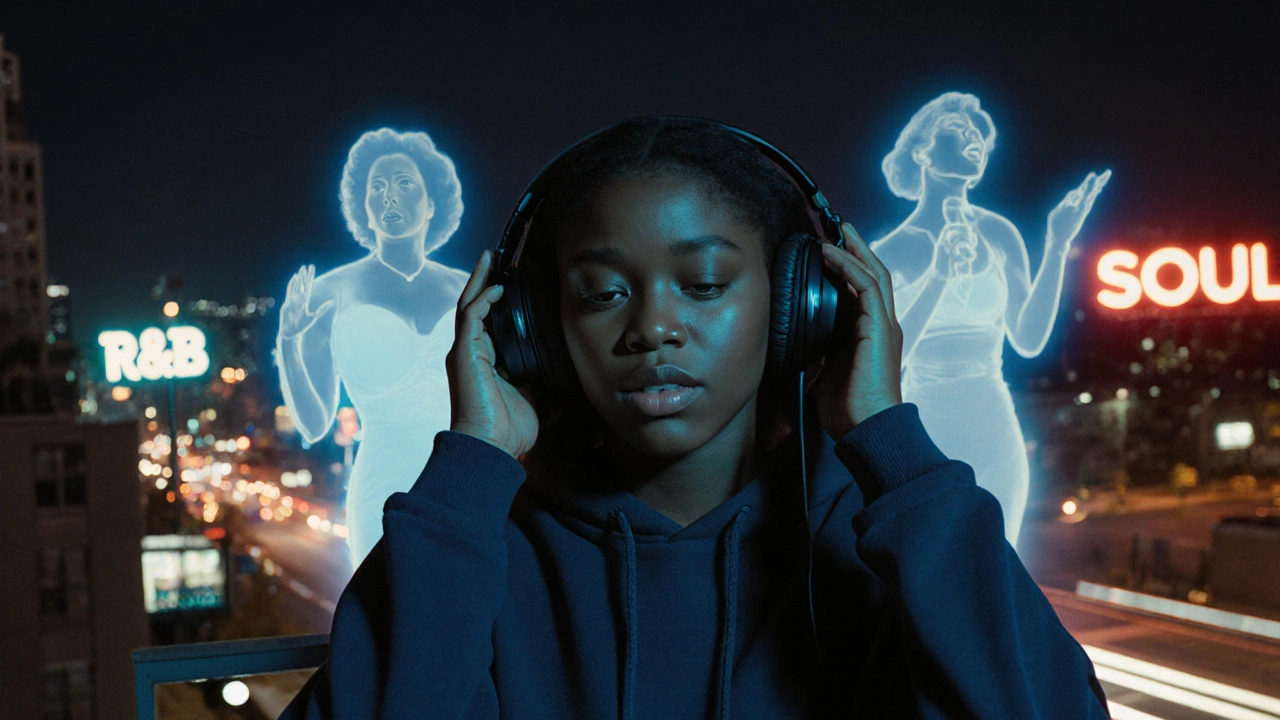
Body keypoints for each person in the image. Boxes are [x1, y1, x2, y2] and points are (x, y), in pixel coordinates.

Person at [281, 116, 1108, 718]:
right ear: (536, 328)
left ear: (805, 307)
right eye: (603, 293)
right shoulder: (478, 554)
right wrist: (468, 468)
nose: (653, 328)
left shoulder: (885, 543)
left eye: (705, 284)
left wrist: (890, 442)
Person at [871, 92, 1110, 547]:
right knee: (935, 571)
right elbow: (888, 360)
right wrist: (939, 275)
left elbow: (1029, 337)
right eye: (959, 132)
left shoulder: (999, 233)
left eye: (981, 137)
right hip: (925, 437)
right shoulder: (890, 253)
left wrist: (1058, 243)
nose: (975, 141)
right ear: (922, 151)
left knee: (1000, 570)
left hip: (995, 429)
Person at [276, 128, 468, 566]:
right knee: (389, 621)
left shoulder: (465, 287)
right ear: (362, 208)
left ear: (432, 203)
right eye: (376, 188)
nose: (389, 197)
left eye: (404, 184)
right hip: (383, 490)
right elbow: (312, 423)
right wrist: (289, 341)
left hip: (467, 484)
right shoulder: (330, 292)